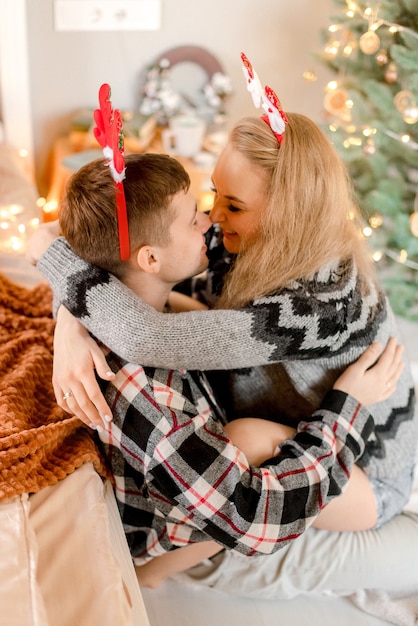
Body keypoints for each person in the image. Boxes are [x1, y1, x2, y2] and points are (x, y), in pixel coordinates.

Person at [36, 89, 418, 598]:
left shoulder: (320, 305)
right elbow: (71, 242)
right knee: (223, 388)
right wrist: (70, 325)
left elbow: (146, 335)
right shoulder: (236, 238)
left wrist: (349, 405)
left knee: (249, 439)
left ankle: (163, 566)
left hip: (367, 460)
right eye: (212, 194)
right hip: (296, 420)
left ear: (290, 215)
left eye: (232, 204)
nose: (213, 217)